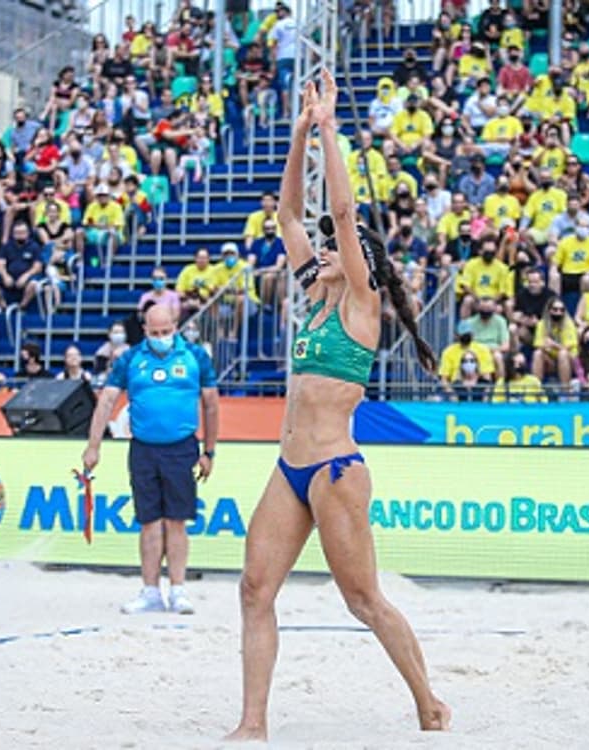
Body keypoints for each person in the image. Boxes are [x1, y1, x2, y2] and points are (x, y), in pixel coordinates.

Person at [225, 72, 452, 741]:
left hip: (334, 469)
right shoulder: (311, 293)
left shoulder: (358, 301)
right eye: (321, 249)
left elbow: (343, 216)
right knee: (253, 590)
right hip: (289, 468)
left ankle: (429, 703)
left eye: (332, 249)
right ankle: (253, 723)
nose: (320, 248)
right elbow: (289, 216)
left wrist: (328, 128)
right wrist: (298, 135)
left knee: (363, 601)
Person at [81, 304, 218, 615]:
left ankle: (179, 589)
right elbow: (106, 402)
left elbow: (211, 405)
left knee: (177, 522)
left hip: (182, 447)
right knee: (149, 523)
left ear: (175, 326)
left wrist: (209, 451)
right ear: (145, 331)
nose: (161, 338)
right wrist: (93, 446)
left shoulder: (195, 357)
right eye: (154, 333)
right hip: (143, 448)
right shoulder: (130, 359)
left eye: (166, 332)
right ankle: (151, 590)